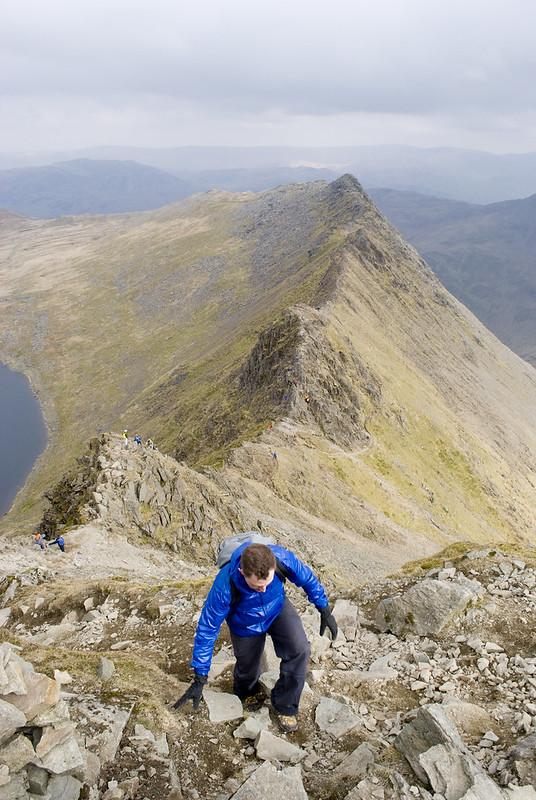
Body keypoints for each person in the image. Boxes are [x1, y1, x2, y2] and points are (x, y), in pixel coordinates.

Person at [174, 542, 337, 733]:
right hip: (244, 622)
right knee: (247, 667)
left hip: (277, 608)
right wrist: (200, 676)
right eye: (256, 586)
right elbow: (208, 627)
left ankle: (286, 705)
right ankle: (247, 692)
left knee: (300, 649)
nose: (263, 589)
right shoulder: (225, 584)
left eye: (266, 583)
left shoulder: (280, 558)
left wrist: (324, 608)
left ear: (273, 568)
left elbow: (307, 578)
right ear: (243, 572)